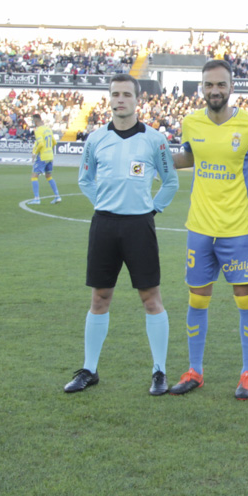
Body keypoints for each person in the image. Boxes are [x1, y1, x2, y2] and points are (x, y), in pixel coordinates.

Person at [63, 73, 180, 396]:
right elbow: (85, 180)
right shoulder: (96, 139)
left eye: (126, 94)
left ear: (137, 99)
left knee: (151, 299)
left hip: (139, 226)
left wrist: (152, 209)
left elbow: (171, 182)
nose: (120, 100)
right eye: (115, 94)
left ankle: (159, 371)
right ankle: (89, 369)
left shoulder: (154, 140)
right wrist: (102, 203)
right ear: (109, 99)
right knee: (99, 298)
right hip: (104, 225)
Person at [169, 59, 248, 400]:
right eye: (208, 85)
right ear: (202, 88)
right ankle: (194, 371)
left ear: (232, 87)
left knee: (245, 300)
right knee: (196, 300)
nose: (214, 90)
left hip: (238, 228)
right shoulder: (191, 122)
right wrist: (154, 156)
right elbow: (189, 157)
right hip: (199, 227)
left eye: (220, 84)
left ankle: (247, 374)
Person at [29, 114, 62, 204]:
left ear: (36, 121)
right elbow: (54, 142)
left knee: (34, 176)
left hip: (42, 156)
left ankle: (36, 199)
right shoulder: (48, 129)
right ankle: (57, 196)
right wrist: (48, 149)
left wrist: (35, 153)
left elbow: (41, 144)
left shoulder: (38, 130)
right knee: (48, 176)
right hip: (50, 156)